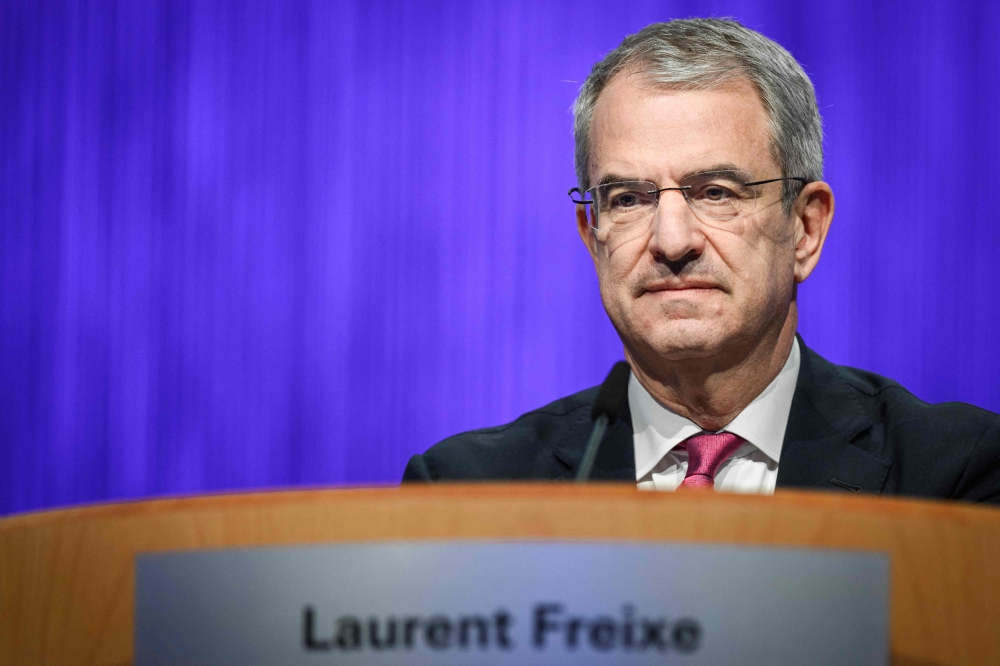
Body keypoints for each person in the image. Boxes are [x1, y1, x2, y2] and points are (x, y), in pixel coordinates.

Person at [403, 18, 1000, 501]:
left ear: (805, 228)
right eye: (629, 199)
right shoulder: (467, 493)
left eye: (716, 192)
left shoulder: (952, 477)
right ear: (592, 235)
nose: (671, 240)